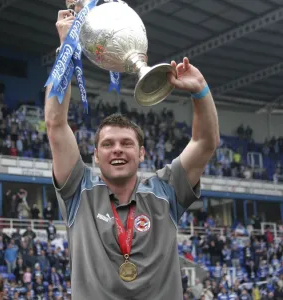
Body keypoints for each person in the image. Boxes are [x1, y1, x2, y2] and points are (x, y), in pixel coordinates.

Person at [45, 7, 219, 300]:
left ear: (141, 154)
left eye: (126, 144)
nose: (117, 150)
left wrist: (200, 90)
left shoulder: (165, 190)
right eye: (108, 144)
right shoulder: (79, 191)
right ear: (96, 156)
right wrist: (67, 50)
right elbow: (55, 124)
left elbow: (205, 142)